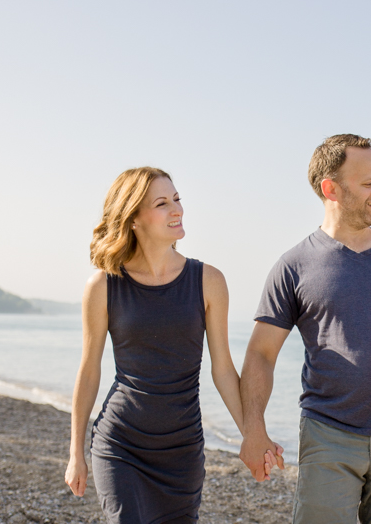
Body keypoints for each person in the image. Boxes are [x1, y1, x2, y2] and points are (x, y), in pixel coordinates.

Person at [239, 135, 371, 524]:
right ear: (331, 189)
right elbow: (260, 354)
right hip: (328, 434)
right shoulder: (294, 265)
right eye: (368, 183)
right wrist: (253, 430)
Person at [64, 167, 280, 523]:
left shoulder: (208, 280)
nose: (177, 209)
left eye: (177, 199)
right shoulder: (103, 286)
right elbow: (89, 370)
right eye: (162, 203)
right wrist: (76, 453)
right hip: (121, 446)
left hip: (182, 452)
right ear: (133, 219)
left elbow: (223, 369)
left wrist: (253, 436)